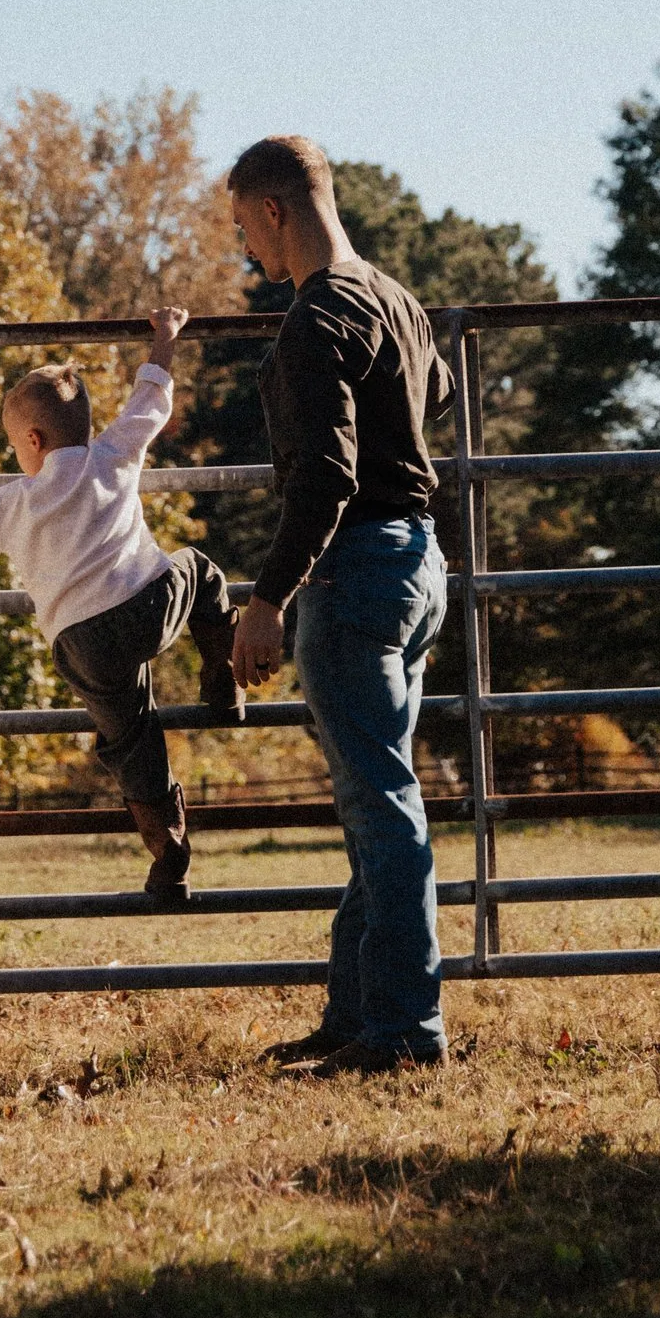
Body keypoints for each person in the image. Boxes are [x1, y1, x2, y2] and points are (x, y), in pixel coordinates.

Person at [226, 136, 452, 1071]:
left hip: (353, 571)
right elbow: (433, 389)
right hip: (417, 561)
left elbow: (323, 475)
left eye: (245, 228)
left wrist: (267, 596)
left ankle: (405, 1030)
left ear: (275, 211)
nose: (248, 253)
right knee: (375, 801)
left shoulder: (317, 319)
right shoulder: (395, 299)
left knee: (382, 807)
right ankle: (360, 1016)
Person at [0, 305, 241, 902]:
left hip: (81, 643)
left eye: (16, 445)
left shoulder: (15, 502)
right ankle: (223, 675)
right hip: (147, 605)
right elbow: (152, 400)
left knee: (131, 739)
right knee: (198, 568)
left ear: (33, 441)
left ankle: (168, 854)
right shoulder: (113, 453)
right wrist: (164, 340)